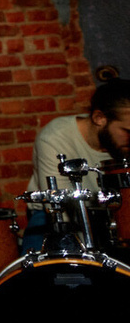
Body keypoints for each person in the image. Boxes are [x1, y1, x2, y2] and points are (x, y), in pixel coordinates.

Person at [22, 78, 130, 253]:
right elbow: (60, 210)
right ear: (99, 118)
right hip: (55, 217)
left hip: (115, 216)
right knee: (36, 272)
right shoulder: (55, 137)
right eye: (127, 131)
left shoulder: (121, 143)